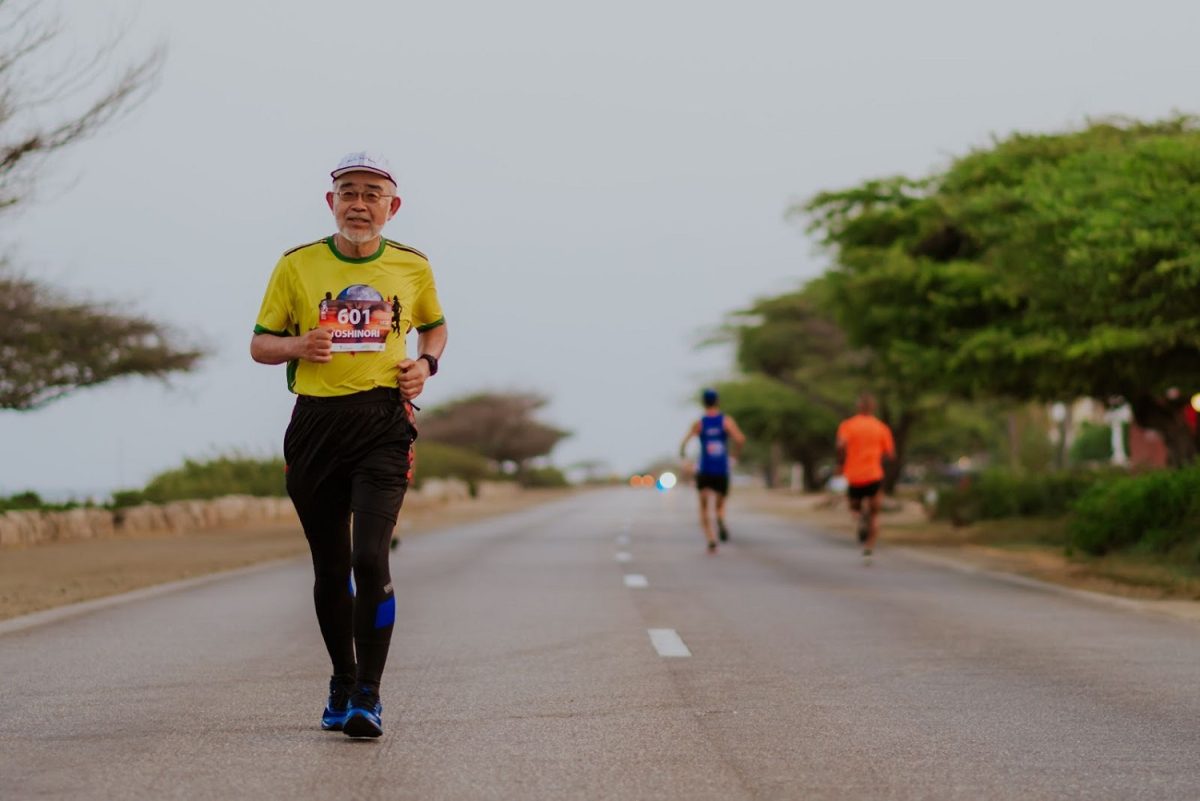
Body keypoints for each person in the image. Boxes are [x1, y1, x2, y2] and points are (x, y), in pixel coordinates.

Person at [250, 151, 447, 739]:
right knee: (332, 567)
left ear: (393, 206)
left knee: (370, 558)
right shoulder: (296, 265)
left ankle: (368, 695)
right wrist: (297, 347)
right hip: (315, 425)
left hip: (382, 424)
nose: (359, 204)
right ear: (331, 201)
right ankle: (342, 677)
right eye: (348, 192)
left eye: (371, 194)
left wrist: (426, 364)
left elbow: (435, 323)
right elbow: (261, 344)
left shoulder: (413, 266)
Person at [679, 388, 746, 553]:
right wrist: (734, 457)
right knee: (720, 504)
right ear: (718, 402)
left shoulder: (700, 423)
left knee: (703, 507)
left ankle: (710, 539)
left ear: (703, 403)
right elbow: (740, 439)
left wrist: (686, 461)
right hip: (721, 468)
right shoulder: (725, 421)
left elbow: (684, 444)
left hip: (705, 469)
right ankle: (721, 519)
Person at [836, 393, 895, 560]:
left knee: (854, 507)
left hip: (854, 475)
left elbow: (840, 446)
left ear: (858, 407)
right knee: (875, 514)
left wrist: (840, 464)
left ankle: (860, 517)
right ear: (873, 408)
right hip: (874, 475)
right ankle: (869, 547)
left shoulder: (848, 425)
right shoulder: (882, 428)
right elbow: (890, 454)